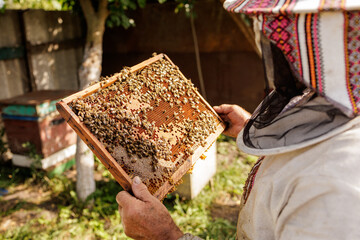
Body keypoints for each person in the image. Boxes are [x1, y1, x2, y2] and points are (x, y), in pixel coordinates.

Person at [116, 1, 360, 239]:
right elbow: (311, 144)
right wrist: (254, 128)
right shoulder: (332, 107)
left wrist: (167, 236)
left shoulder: (335, 189)